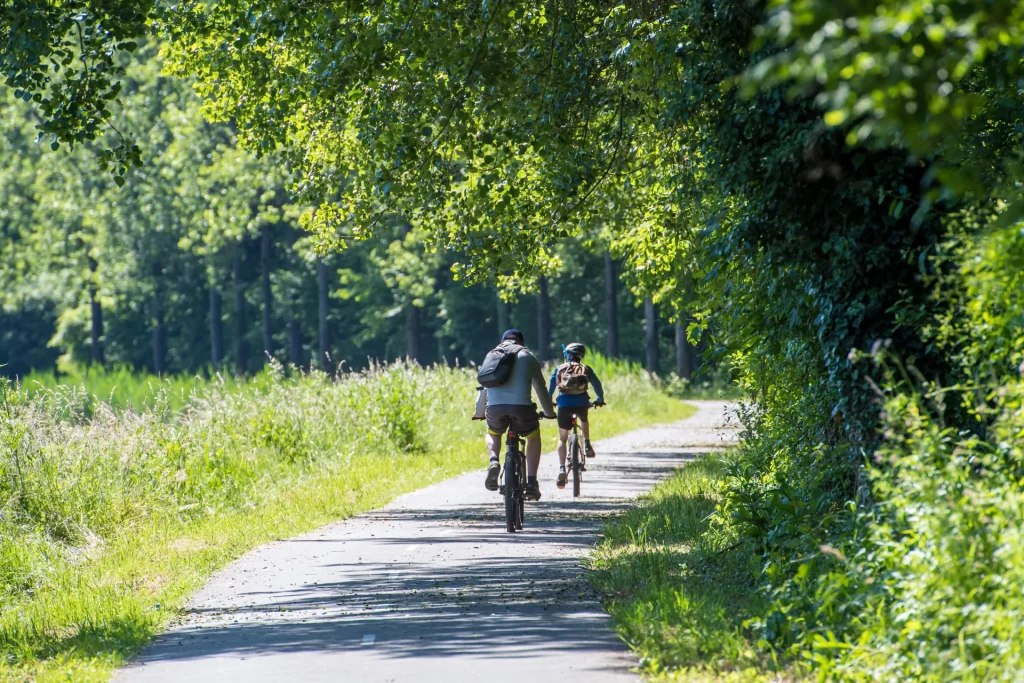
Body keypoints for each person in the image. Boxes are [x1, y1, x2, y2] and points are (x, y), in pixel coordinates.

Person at [473, 329, 556, 500]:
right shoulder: (527, 356)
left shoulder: (492, 355)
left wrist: (479, 412)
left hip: (495, 409)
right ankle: (532, 483)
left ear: (503, 341)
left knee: (493, 432)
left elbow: (485, 387)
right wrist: (549, 413)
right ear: (522, 342)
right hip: (522, 409)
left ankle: (494, 460)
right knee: (533, 435)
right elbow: (540, 388)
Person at [547, 342, 605, 489]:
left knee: (562, 438)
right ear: (581, 355)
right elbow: (597, 384)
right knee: (584, 418)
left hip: (564, 404)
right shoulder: (586, 369)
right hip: (582, 402)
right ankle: (586, 443)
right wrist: (600, 399)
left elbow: (551, 389)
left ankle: (561, 468)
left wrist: (549, 402)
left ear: (567, 354)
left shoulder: (560, 368)